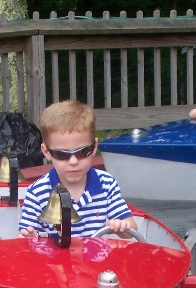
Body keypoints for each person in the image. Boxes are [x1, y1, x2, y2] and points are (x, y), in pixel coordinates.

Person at [19, 99, 137, 239]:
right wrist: (30, 238)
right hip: (53, 254)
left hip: (93, 253)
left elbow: (132, 228)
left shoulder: (106, 183)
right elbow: (22, 240)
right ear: (46, 152)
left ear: (94, 147)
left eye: (82, 152)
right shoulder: (37, 193)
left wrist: (121, 227)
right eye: (62, 154)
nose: (73, 161)